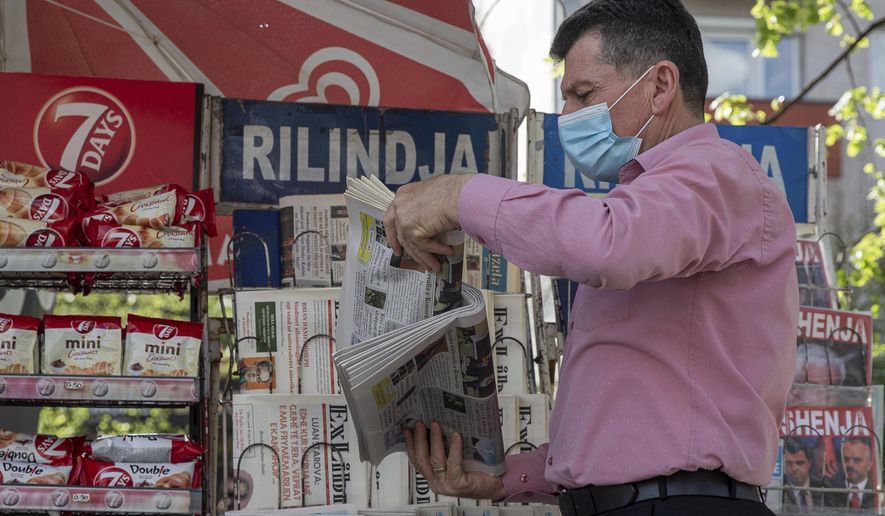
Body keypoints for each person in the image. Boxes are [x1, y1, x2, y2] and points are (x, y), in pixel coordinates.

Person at [384, 1, 798, 515]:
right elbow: (627, 420)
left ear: (661, 85)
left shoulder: (715, 175)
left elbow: (607, 243)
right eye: (566, 99)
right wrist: (505, 479)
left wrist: (460, 194)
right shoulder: (649, 205)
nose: (569, 118)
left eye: (585, 95)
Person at [782, 439, 824, 508]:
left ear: (809, 463)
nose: (794, 469)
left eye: (800, 463)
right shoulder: (780, 492)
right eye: (789, 463)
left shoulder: (823, 488)